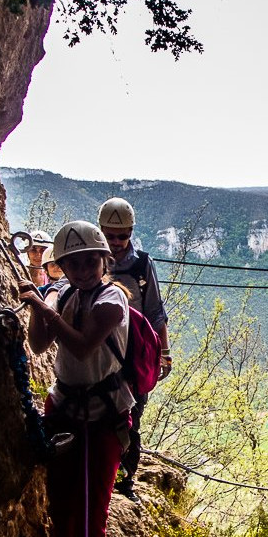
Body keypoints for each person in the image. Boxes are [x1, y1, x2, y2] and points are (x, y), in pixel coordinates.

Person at [18, 220, 135, 537]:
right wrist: (39, 306)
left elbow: (83, 345)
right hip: (66, 409)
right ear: (64, 267)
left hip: (102, 418)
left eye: (91, 261)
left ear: (104, 261)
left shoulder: (111, 303)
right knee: (63, 507)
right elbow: (38, 344)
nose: (83, 269)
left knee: (90, 514)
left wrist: (44, 304)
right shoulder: (65, 294)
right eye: (74, 263)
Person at [98, 196, 172, 502]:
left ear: (131, 232)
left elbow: (156, 311)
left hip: (134, 353)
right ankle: (103, 474)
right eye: (110, 236)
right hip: (100, 350)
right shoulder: (92, 258)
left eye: (122, 236)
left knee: (132, 418)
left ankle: (124, 484)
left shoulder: (142, 264)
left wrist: (164, 353)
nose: (116, 242)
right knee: (100, 415)